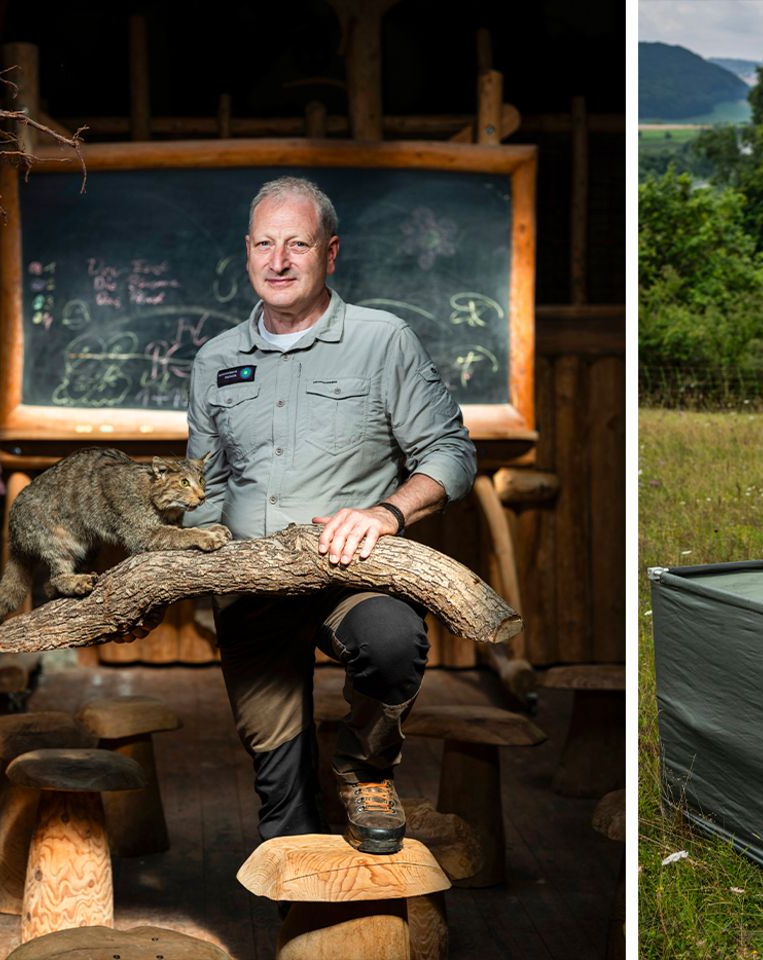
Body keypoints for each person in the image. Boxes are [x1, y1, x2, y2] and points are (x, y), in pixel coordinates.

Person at [182, 176, 476, 854]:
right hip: (252, 589)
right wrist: (198, 559)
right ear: (247, 252)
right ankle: (306, 929)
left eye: (297, 244)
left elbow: (450, 453)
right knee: (281, 799)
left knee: (393, 642)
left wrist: (388, 512)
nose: (278, 261)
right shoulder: (216, 359)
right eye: (264, 243)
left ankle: (365, 771)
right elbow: (205, 486)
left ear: (330, 253)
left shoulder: (383, 341)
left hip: (354, 577)